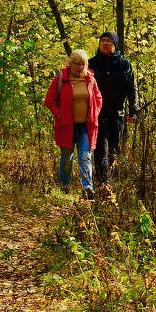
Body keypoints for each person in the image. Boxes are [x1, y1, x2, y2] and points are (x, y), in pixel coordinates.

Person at [44, 49, 102, 200]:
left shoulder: (90, 79)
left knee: (85, 156)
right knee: (66, 159)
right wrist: (59, 114)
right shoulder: (61, 79)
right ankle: (65, 185)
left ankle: (87, 188)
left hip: (85, 127)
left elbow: (98, 98)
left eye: (83, 64)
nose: (79, 67)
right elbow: (49, 100)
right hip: (66, 126)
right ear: (70, 63)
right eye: (76, 63)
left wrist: (94, 113)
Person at [88, 32, 138, 187]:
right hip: (97, 114)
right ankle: (103, 183)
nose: (105, 43)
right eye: (103, 40)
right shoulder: (91, 64)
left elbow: (132, 89)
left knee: (113, 150)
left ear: (115, 44)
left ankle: (109, 180)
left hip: (117, 115)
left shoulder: (125, 65)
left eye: (109, 41)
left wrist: (133, 111)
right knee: (100, 150)